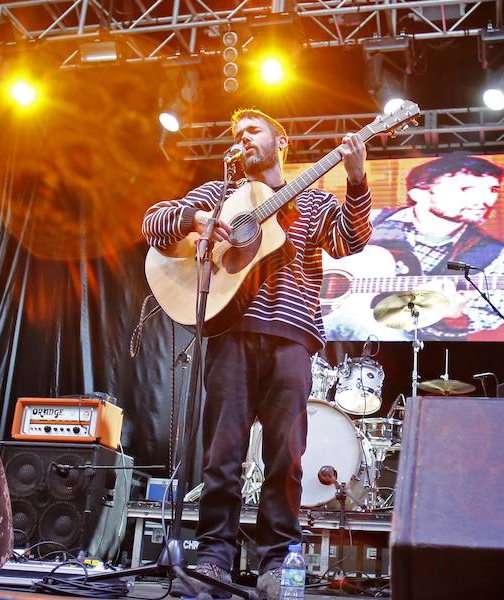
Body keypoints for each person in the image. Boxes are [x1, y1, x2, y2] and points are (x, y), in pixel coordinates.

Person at [142, 108, 371, 599]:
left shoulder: (313, 200)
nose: (243, 137)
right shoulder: (219, 195)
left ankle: (277, 563)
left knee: (286, 459)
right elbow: (153, 224)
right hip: (231, 333)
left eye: (253, 130)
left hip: (292, 335)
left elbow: (350, 241)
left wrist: (356, 179)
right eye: (237, 133)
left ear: (281, 141)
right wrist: (197, 219)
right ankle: (213, 560)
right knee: (221, 456)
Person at [324, 152, 504, 340]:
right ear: (420, 194)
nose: (485, 200)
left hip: (401, 351)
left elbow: (485, 318)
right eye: (466, 189)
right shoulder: (367, 221)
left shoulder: (501, 255)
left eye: (492, 190)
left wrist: (451, 315)